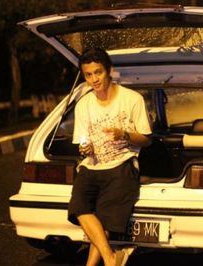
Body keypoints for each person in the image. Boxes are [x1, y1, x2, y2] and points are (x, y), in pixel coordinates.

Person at [68, 48, 152, 266]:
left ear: (109, 71)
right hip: (92, 166)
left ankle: (106, 261)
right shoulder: (83, 104)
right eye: (89, 75)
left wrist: (124, 134)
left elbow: (146, 139)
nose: (94, 79)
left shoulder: (132, 99)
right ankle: (111, 258)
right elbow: (82, 143)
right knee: (78, 208)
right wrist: (85, 150)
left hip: (122, 165)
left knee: (103, 220)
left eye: (98, 72)